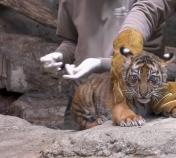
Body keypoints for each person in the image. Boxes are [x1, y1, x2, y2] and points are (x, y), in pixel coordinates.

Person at [40, 0, 164, 128]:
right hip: (83, 98)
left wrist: (100, 63)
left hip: (129, 94)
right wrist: (60, 56)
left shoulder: (145, 4)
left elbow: (151, 57)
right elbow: (71, 42)